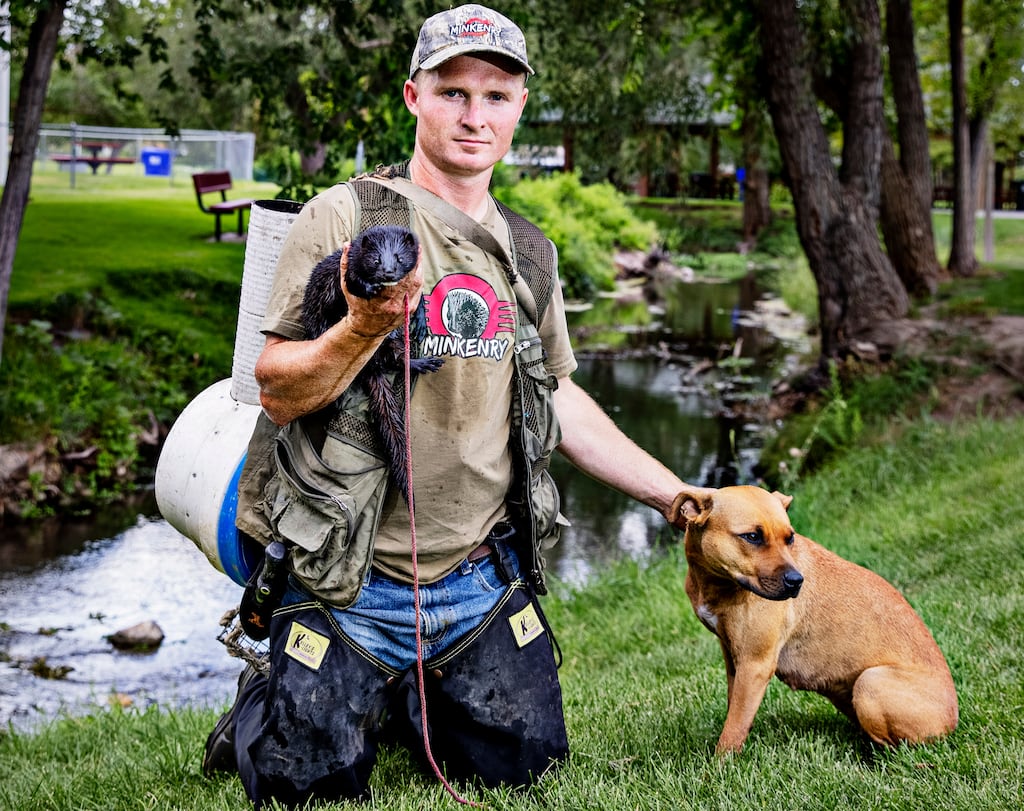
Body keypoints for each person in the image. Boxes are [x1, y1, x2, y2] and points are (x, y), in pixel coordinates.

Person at [202, 4, 710, 807]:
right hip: (348, 577)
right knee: (307, 784)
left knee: (529, 768)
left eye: (497, 95)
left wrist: (677, 495)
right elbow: (276, 384)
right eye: (453, 92)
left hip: (477, 578)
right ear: (413, 97)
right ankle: (267, 699)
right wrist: (364, 326)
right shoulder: (343, 217)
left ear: (518, 109)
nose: (476, 115)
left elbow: (561, 400)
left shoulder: (531, 252)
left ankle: (410, 691)